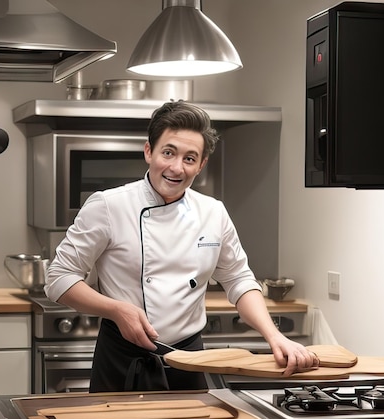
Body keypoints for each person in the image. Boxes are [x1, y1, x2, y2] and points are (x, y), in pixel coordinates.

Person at [45, 100, 319, 392]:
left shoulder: (213, 212)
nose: (176, 168)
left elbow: (238, 279)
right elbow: (58, 278)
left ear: (201, 165)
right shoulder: (108, 205)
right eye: (168, 153)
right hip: (123, 360)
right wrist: (116, 310)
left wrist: (274, 336)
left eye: (190, 158)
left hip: (190, 359)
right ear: (149, 152)